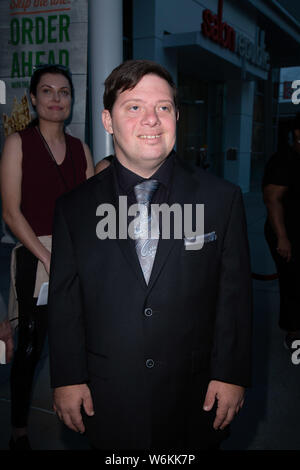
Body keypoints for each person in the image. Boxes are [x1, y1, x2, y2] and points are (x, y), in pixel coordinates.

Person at [48, 59, 252, 450]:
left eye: (163, 107)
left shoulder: (221, 199)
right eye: (134, 107)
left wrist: (231, 373)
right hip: (107, 395)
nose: (151, 120)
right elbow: (65, 301)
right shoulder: (73, 208)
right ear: (108, 121)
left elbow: (235, 296)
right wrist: (67, 377)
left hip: (194, 396)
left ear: (176, 115)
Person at [0, 64, 94, 450]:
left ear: (71, 101)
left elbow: (92, 210)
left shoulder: (80, 149)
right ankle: (20, 429)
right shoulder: (17, 143)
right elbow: (10, 212)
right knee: (31, 346)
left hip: (77, 253)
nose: (56, 99)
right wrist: (48, 258)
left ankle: (82, 408)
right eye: (48, 91)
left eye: (64, 92)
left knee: (82, 338)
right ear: (34, 99)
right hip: (34, 254)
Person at [263, 114, 300, 350]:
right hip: (287, 233)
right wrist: (283, 238)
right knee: (293, 283)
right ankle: (294, 333)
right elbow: (272, 200)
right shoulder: (284, 160)